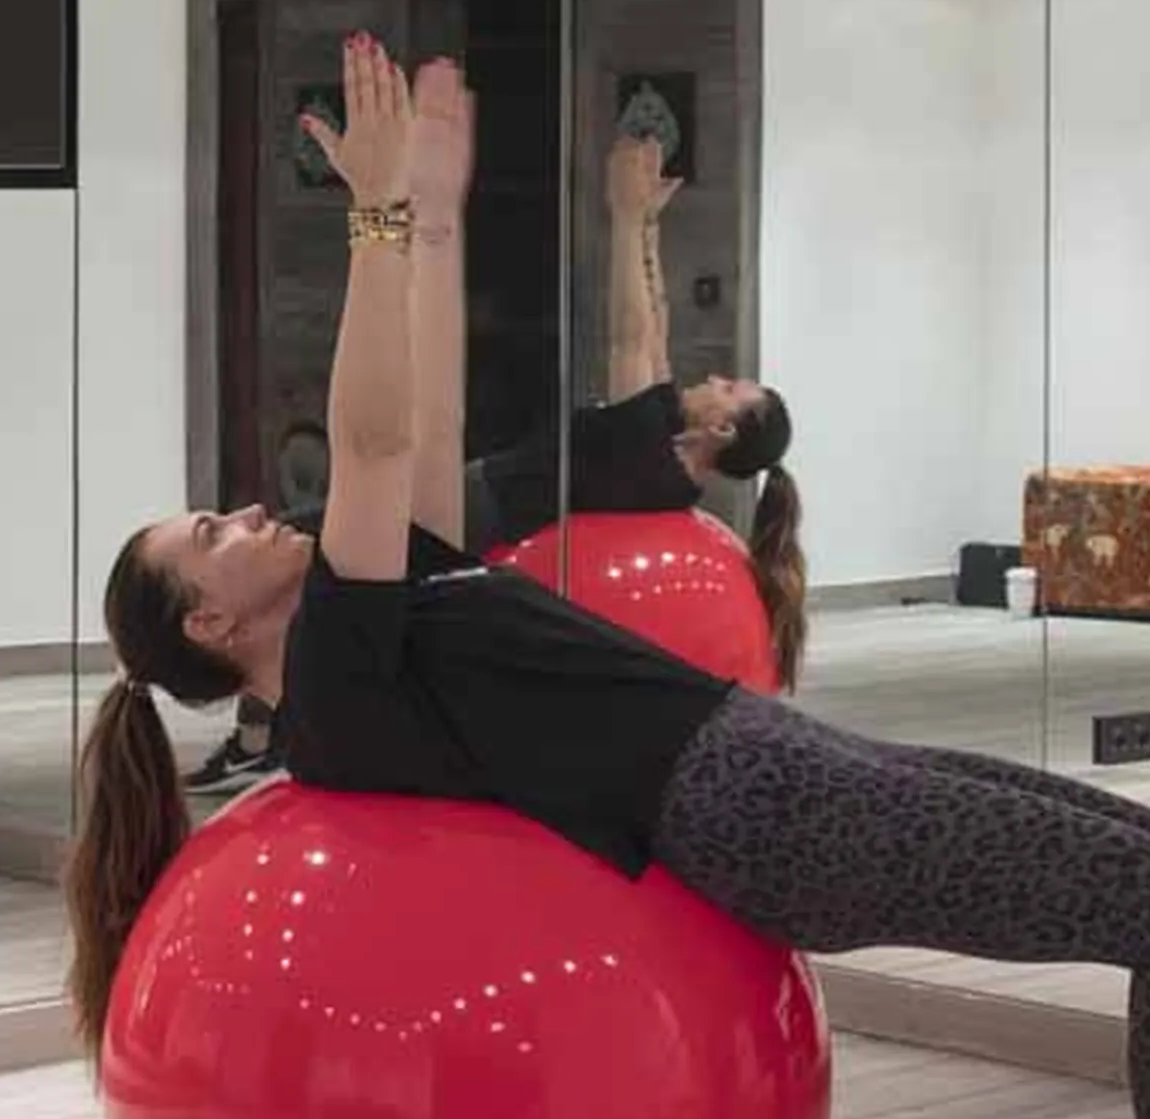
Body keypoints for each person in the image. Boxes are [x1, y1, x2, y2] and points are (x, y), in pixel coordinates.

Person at [76, 34, 1150, 1119]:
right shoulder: (338, 671)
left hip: (773, 763)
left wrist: (431, 206)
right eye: (215, 532)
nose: (250, 512)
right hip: (764, 816)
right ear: (205, 620)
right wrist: (378, 215)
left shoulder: (379, 606)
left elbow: (417, 415)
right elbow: (367, 437)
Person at [185, 114, 804, 797]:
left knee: (304, 550)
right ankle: (256, 734)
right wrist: (649, 228)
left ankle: (253, 738)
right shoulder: (658, 444)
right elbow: (654, 324)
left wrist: (624, 219)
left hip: (478, 514)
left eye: (728, 389)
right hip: (482, 500)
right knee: (300, 555)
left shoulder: (646, 453)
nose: (712, 378)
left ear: (721, 429)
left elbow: (631, 337)